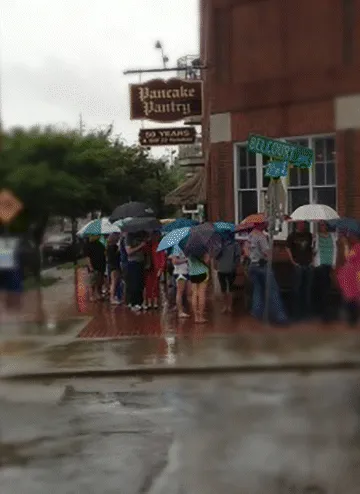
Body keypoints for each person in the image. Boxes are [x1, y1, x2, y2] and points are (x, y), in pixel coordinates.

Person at [247, 223, 288, 324]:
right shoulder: (261, 236)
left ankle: (256, 313)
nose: (267, 225)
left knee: (257, 290)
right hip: (262, 266)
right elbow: (266, 253)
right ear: (261, 225)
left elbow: (246, 250)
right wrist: (273, 251)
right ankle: (279, 316)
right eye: (265, 223)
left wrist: (252, 256)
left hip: (253, 265)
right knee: (272, 290)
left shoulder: (250, 235)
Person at [286, 221, 314, 320]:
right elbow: (288, 248)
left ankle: (306, 312)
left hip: (308, 265)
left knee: (307, 289)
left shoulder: (309, 235)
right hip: (298, 265)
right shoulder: (292, 236)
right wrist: (293, 262)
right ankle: (296, 313)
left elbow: (312, 248)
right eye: (300, 224)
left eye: (303, 224)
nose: (302, 225)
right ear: (297, 224)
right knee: (297, 288)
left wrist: (312, 261)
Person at [313, 221, 337, 322]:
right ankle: (324, 313)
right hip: (320, 264)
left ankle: (325, 311)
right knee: (323, 288)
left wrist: (334, 263)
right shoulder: (316, 237)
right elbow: (314, 251)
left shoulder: (333, 236)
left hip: (329, 264)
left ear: (327, 227)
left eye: (323, 225)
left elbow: (335, 249)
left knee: (327, 287)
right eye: (320, 225)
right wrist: (313, 243)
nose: (322, 227)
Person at [216, 233, 241, 313]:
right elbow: (238, 256)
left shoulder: (234, 244)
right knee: (227, 289)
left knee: (227, 288)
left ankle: (227, 306)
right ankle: (227, 306)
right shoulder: (222, 244)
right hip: (226, 268)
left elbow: (237, 256)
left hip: (226, 268)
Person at [143, 232, 166, 310]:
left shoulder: (159, 246)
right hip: (148, 268)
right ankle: (149, 302)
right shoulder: (147, 246)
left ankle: (155, 302)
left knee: (155, 286)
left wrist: (161, 268)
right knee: (148, 286)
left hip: (155, 268)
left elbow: (162, 258)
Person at [125, 232, 147, 312]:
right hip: (133, 262)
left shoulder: (142, 234)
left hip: (141, 261)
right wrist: (140, 246)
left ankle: (139, 302)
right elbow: (129, 251)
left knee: (140, 283)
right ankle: (134, 302)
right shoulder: (129, 236)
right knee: (134, 283)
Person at [188, 252, 210, 324]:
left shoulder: (188, 248)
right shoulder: (203, 247)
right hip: (203, 272)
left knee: (194, 293)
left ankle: (196, 317)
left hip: (193, 273)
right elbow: (207, 260)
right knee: (202, 294)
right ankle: (201, 316)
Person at [169, 244, 190, 318]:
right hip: (180, 273)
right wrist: (186, 260)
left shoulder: (185, 247)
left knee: (185, 292)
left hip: (186, 271)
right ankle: (180, 311)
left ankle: (181, 307)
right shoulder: (176, 248)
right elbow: (174, 261)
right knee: (180, 292)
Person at [84, 235, 106, 302]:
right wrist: (90, 266)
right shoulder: (88, 245)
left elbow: (104, 252)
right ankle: (92, 295)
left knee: (100, 281)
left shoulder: (100, 244)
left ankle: (99, 294)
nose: (98, 236)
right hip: (93, 266)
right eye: (97, 235)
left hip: (101, 265)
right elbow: (87, 257)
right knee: (93, 282)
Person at [106, 232, 121, 305]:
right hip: (114, 266)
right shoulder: (113, 247)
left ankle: (113, 297)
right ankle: (112, 298)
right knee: (114, 282)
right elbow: (115, 256)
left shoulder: (108, 247)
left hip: (111, 266)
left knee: (113, 282)